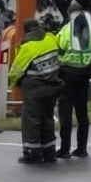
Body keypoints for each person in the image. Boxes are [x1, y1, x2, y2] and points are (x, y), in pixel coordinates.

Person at [9, 18, 63, 164]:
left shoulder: (28, 48)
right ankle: (49, 152)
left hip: (34, 90)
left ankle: (32, 153)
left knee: (32, 121)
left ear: (26, 31)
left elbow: (16, 71)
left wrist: (14, 83)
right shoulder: (51, 40)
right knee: (47, 119)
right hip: (52, 88)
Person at [56, 1, 91, 158]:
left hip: (67, 74)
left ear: (70, 15)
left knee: (65, 112)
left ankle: (65, 149)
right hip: (85, 74)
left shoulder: (66, 30)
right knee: (82, 112)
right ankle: (82, 149)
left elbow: (58, 51)